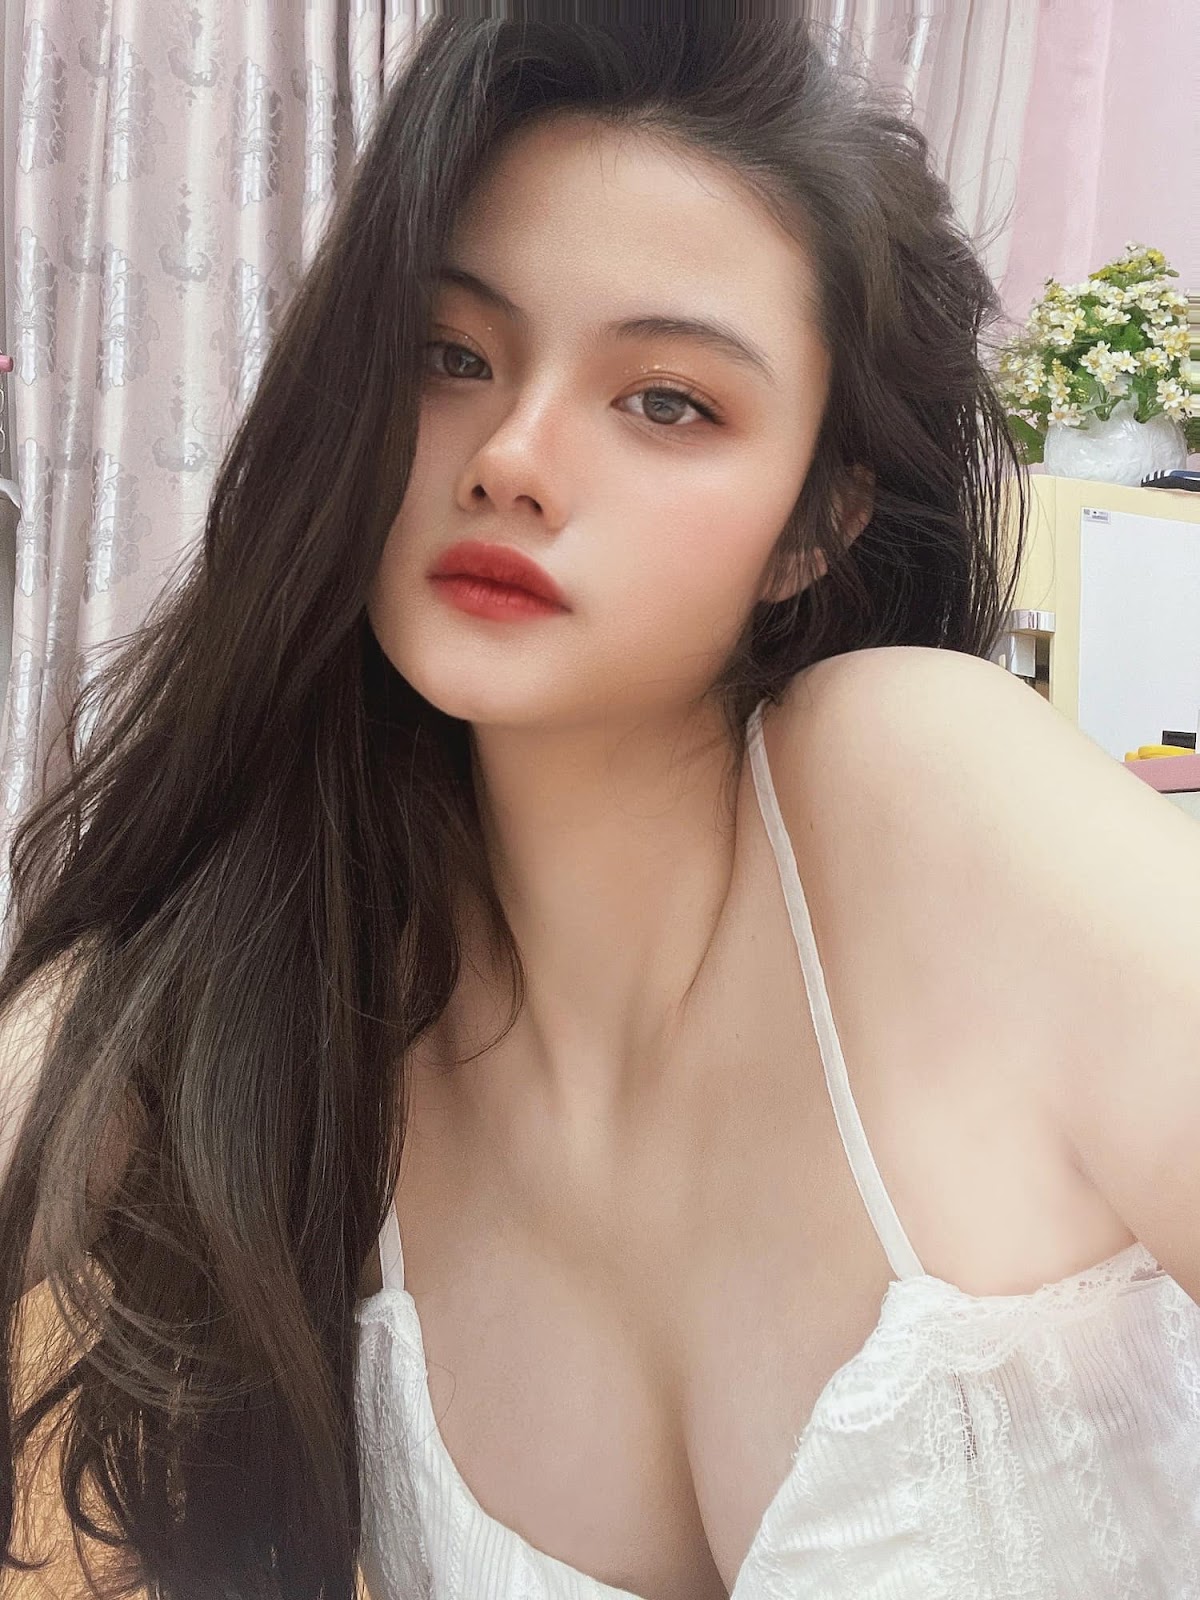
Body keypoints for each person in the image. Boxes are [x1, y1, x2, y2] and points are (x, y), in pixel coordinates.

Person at [3, 12, 1200, 1600]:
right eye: (453, 355)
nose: (510, 456)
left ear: (815, 527)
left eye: (668, 402)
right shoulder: (278, 1006)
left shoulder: (918, 787)